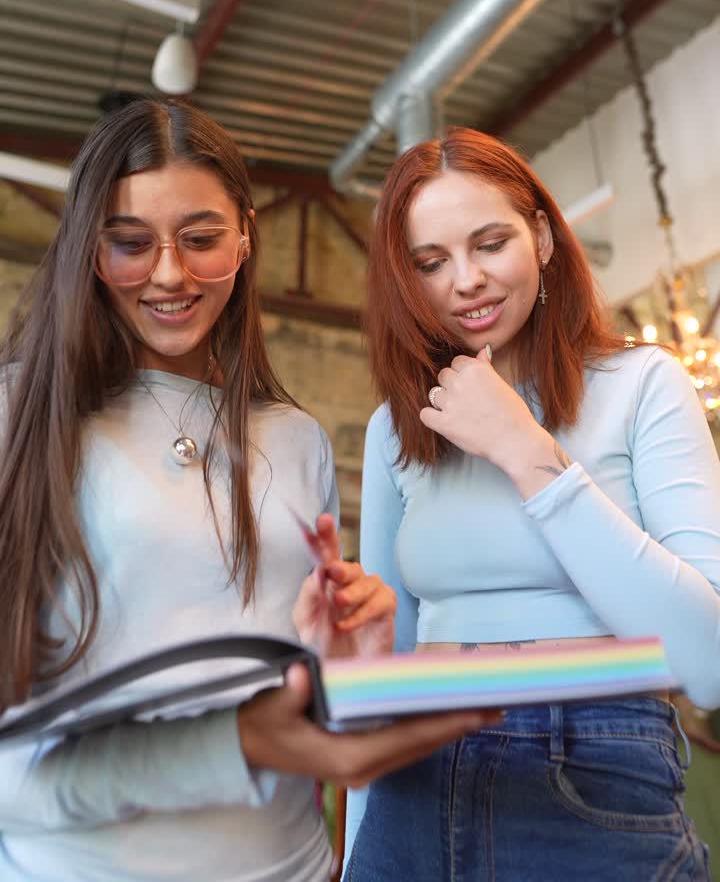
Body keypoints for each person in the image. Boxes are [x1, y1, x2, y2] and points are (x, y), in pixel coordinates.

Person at [0, 100, 499, 882]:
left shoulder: (297, 441)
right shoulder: (18, 420)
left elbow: (306, 713)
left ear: (245, 235)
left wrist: (347, 668)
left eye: (200, 239)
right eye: (130, 243)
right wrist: (234, 743)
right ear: (88, 252)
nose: (169, 272)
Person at [344, 127, 720, 881]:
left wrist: (528, 453)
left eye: (490, 243)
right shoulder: (397, 427)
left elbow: (707, 662)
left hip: (592, 768)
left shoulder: (644, 384)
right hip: (412, 781)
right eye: (430, 262)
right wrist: (358, 851)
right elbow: (386, 665)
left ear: (542, 236)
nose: (466, 281)